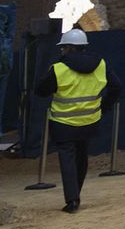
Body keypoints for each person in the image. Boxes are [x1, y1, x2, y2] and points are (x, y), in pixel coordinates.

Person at [34, 28, 120, 214]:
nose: (62, 51)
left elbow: (40, 91)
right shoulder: (101, 65)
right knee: (82, 158)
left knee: (68, 159)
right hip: (89, 121)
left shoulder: (59, 68)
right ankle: (76, 194)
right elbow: (116, 87)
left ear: (69, 48)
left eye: (63, 48)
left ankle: (72, 200)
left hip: (63, 123)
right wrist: (103, 107)